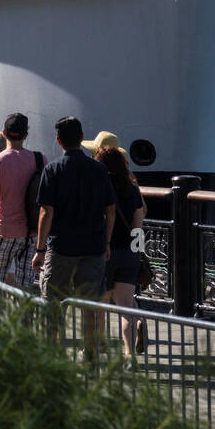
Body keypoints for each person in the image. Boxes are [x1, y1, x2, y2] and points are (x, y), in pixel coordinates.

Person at [33, 116, 116, 303]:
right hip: (94, 247)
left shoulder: (52, 170)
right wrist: (107, 242)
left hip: (61, 248)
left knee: (53, 303)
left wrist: (40, 249)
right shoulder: (99, 169)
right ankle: (90, 334)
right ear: (82, 138)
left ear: (58, 140)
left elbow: (46, 212)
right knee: (91, 306)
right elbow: (110, 210)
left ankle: (54, 333)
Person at [0, 112, 44, 288]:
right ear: (26, 135)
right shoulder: (40, 160)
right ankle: (22, 317)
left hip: (3, 232)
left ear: (4, 133)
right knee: (24, 289)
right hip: (30, 234)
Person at [95, 145, 144, 357]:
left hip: (103, 252)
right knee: (126, 308)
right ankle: (129, 354)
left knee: (100, 306)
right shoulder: (133, 190)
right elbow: (138, 227)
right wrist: (137, 254)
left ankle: (99, 346)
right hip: (128, 252)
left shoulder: (98, 188)